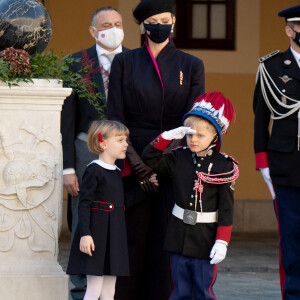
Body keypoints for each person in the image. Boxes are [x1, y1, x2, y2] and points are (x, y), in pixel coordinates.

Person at [107, 0, 205, 299]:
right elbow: (114, 118)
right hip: (131, 159)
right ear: (142, 27)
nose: (160, 25)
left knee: (167, 239)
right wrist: (138, 165)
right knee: (131, 239)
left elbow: (195, 119)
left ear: (173, 23)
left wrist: (166, 161)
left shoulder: (191, 64)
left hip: (173, 162)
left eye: (166, 19)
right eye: (154, 20)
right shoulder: (125, 62)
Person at [141, 91, 239, 300]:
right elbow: (149, 157)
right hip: (179, 236)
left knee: (203, 292)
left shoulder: (224, 165)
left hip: (206, 239)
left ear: (215, 136)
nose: (193, 140)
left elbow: (226, 209)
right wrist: (167, 137)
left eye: (200, 135)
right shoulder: (179, 157)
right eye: (189, 134)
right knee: (180, 291)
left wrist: (222, 241)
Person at [61, 6, 127, 299]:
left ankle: (114, 288)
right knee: (83, 217)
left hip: (126, 151)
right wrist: (68, 168)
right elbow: (67, 122)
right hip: (85, 151)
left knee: (119, 221)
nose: (112, 29)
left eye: (118, 23)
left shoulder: (135, 60)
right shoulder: (74, 63)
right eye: (105, 25)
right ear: (92, 31)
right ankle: (81, 288)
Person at [253, 4, 300, 299]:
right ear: (289, 30)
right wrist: (263, 164)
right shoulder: (271, 67)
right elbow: (261, 119)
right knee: (292, 239)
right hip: (286, 166)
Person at [66, 120, 130, 300]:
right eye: (120, 140)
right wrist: (85, 234)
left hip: (114, 237)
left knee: (109, 291)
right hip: (97, 237)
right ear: (103, 143)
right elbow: (84, 204)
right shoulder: (94, 170)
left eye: (125, 140)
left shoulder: (116, 172)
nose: (125, 144)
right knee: (94, 290)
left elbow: (121, 201)